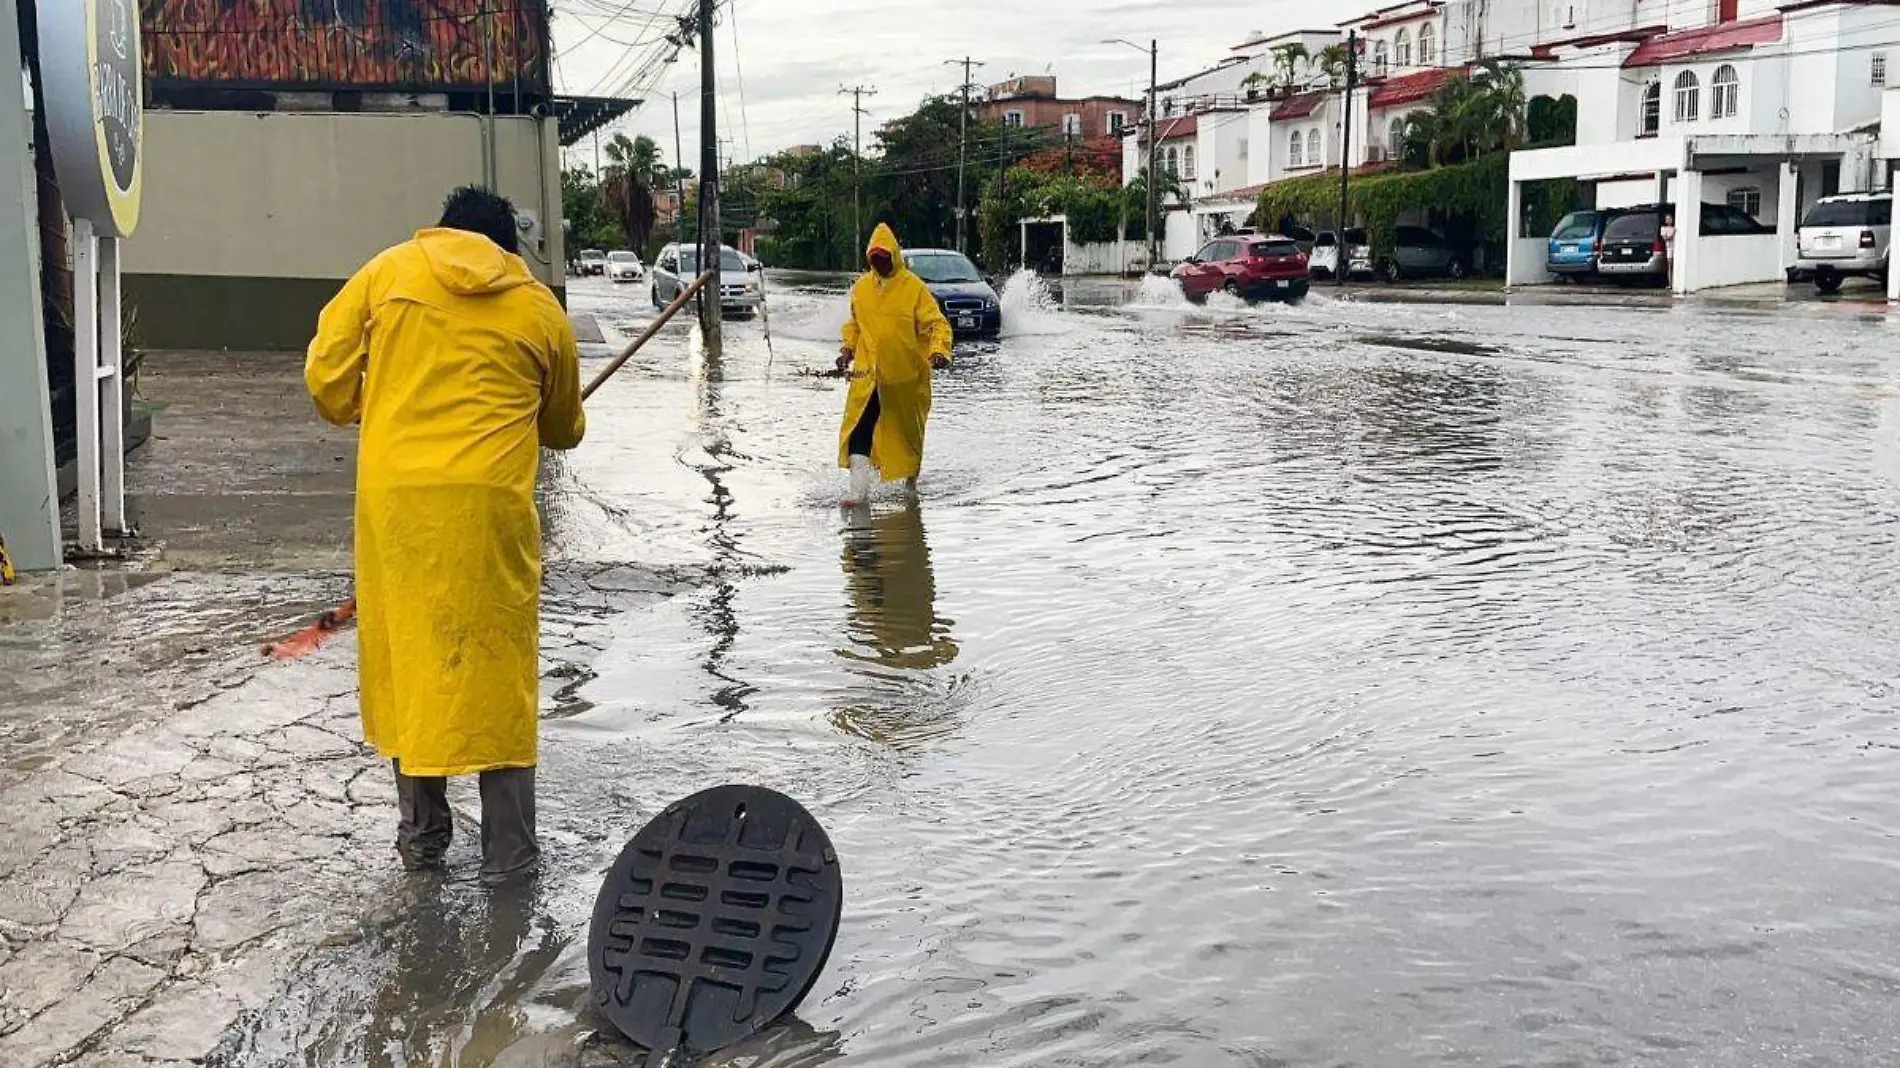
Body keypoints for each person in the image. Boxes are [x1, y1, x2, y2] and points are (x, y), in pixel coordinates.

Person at [305, 186, 586, 880]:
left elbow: (326, 384)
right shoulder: (538, 308)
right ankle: (510, 860)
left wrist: (383, 400)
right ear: (509, 249)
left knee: (413, 661)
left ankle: (423, 841)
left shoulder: (387, 274)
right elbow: (565, 429)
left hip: (399, 511)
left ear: (442, 231)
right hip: (489, 515)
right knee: (497, 674)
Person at [836, 224, 952, 505]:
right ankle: (858, 493)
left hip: (905, 380)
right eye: (874, 258)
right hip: (868, 377)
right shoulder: (861, 289)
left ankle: (910, 481)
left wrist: (939, 351)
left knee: (908, 435)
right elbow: (855, 325)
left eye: (884, 257)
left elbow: (936, 324)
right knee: (858, 429)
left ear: (894, 256)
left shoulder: (914, 288)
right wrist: (847, 349)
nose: (879, 263)